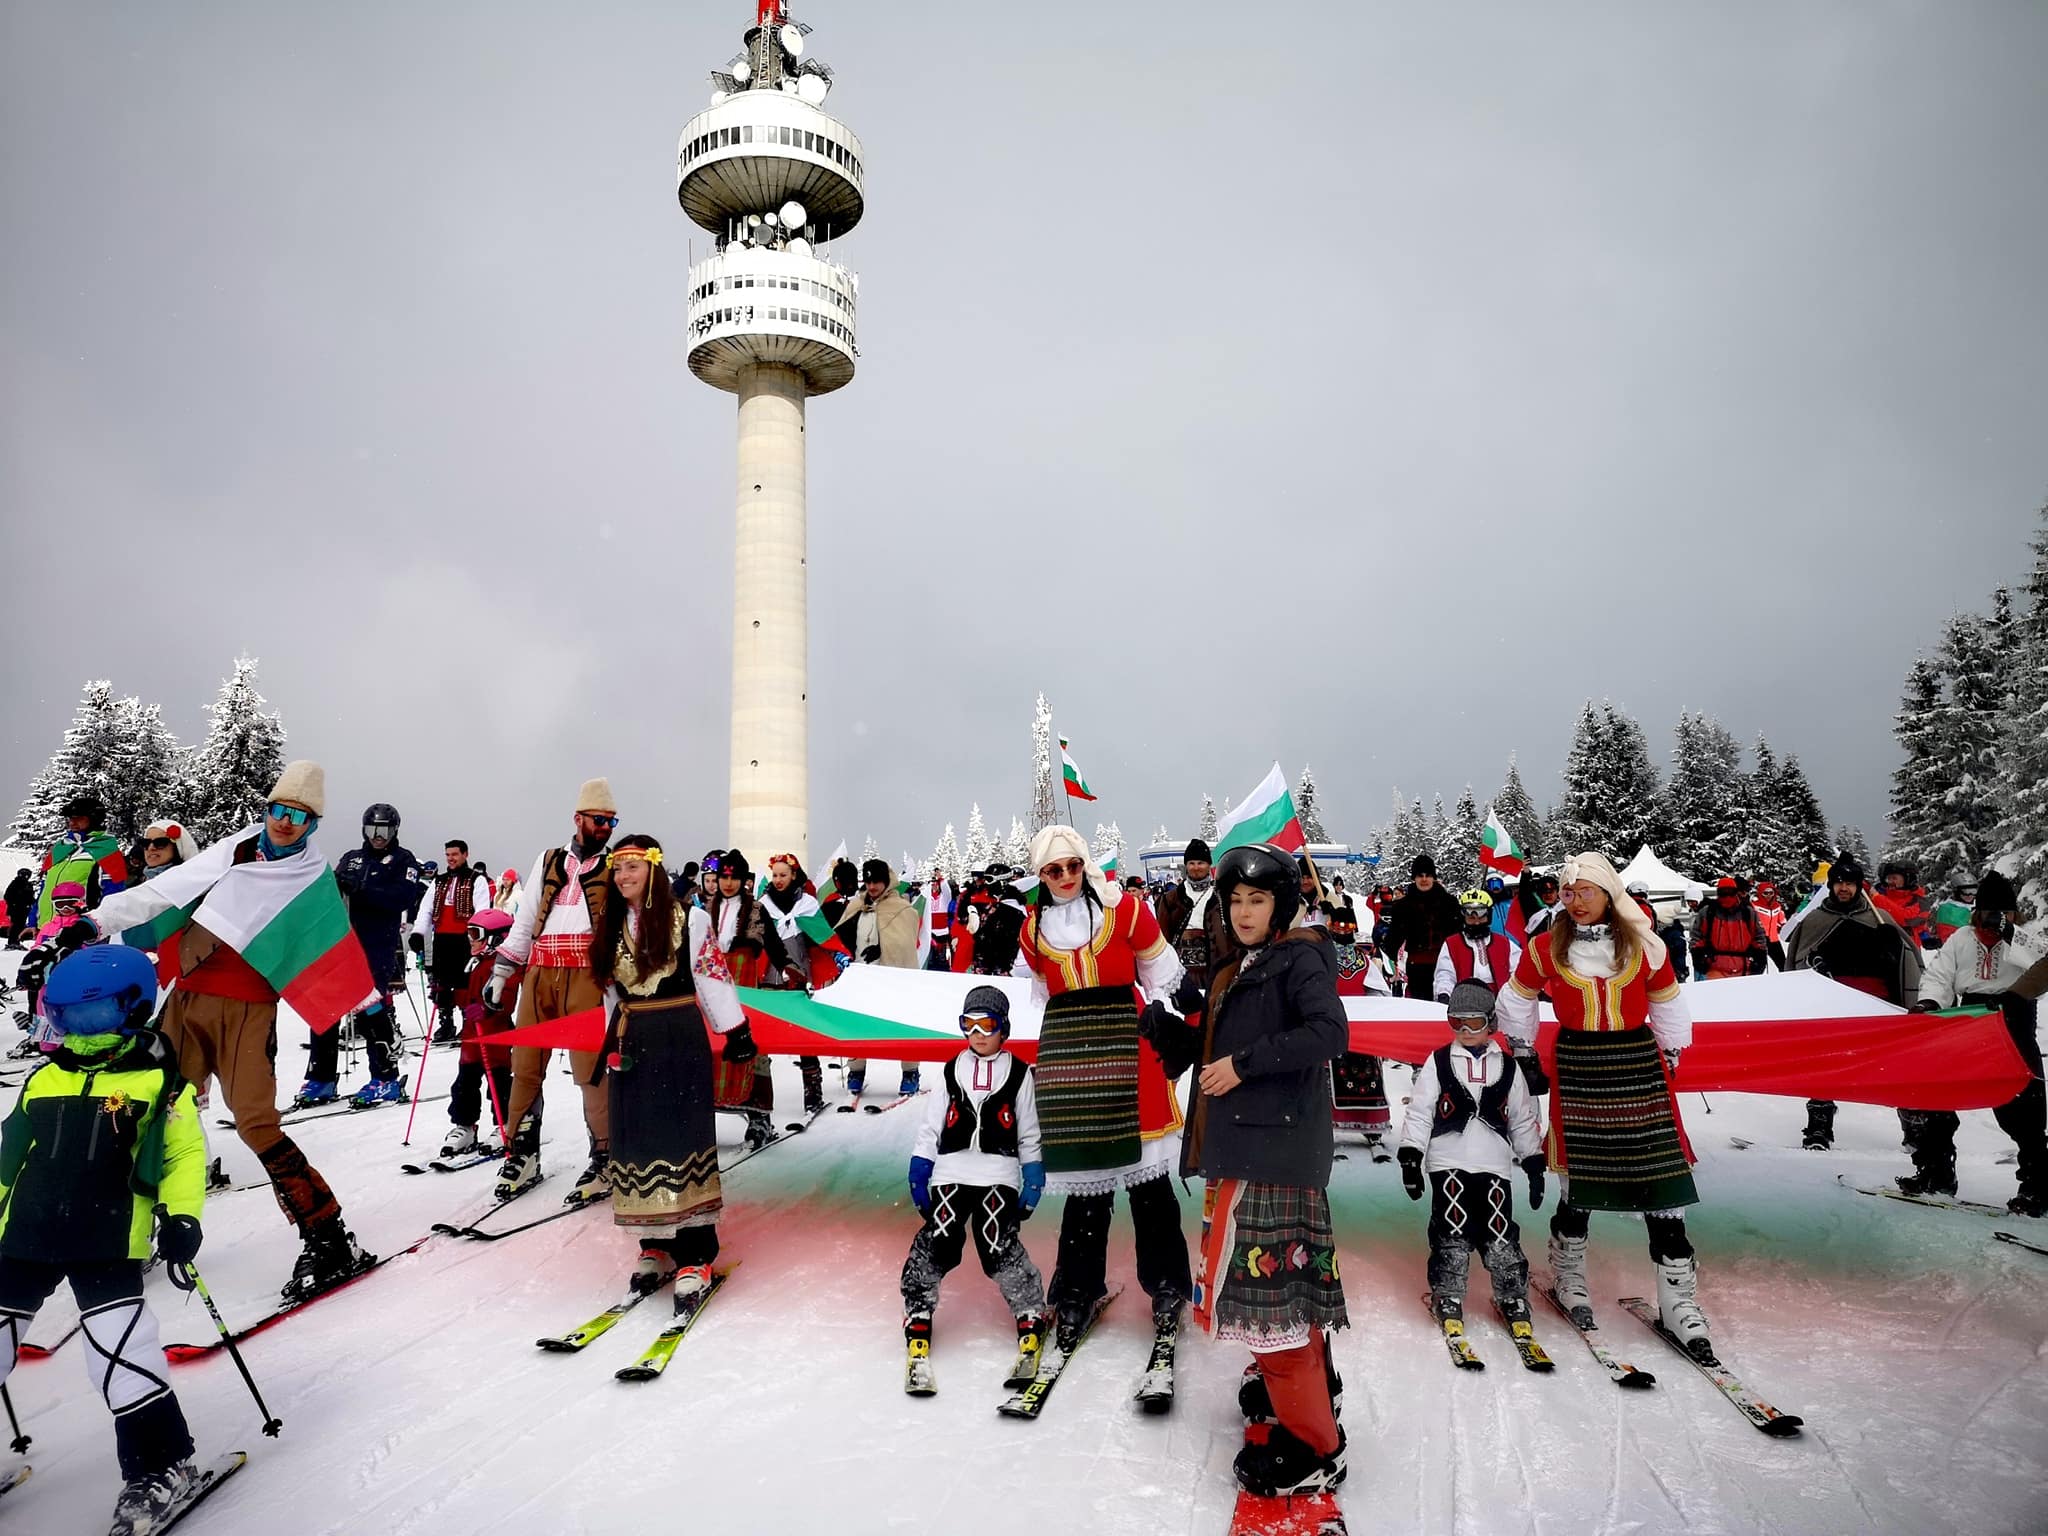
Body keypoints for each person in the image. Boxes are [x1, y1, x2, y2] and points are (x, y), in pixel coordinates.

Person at [64, 762, 375, 1300]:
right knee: (155, 1109)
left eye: (300, 816)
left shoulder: (311, 877)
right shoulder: (234, 852)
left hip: (248, 1010)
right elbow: (166, 892)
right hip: (186, 1000)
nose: (286, 822)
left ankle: (326, 1234)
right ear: (267, 809)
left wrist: (366, 1002)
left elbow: (329, 945)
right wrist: (98, 920)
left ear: (313, 825)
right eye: (279, 810)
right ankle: (131, 1230)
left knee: (256, 1122)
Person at [1139, 841, 1348, 1496]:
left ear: (1280, 904)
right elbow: (1214, 1055)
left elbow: (1329, 1033)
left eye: (1257, 899)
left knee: (1272, 1307)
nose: (1244, 910)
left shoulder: (1301, 957)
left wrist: (1247, 1064)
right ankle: (1302, 1395)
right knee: (1272, 1302)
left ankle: (1315, 1447)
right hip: (1248, 1153)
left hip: (1275, 1158)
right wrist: (1174, 1040)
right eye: (1235, 901)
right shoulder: (1242, 966)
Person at [0, 946, 207, 1531]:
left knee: (121, 1353)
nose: (83, 1031)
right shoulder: (45, 1077)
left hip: (108, 1233)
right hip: (26, 1231)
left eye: (98, 1016)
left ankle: (160, 1466)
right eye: (71, 1018)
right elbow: (9, 1154)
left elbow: (184, 1155)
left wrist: (182, 1216)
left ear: (134, 1009)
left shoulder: (160, 1081)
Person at [1497, 851, 1713, 1362]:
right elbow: (1516, 997)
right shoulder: (1546, 947)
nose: (1574, 902)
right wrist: (1524, 1050)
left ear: (1608, 895)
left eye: (1584, 892)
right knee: (1581, 1182)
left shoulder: (1643, 946)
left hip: (1637, 1065)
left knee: (1661, 1179)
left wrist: (1673, 1049)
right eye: (1568, 893)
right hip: (1580, 1066)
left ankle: (1678, 1301)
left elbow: (1667, 1002)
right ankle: (1569, 1276)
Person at [1015, 827, 1191, 1365]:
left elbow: (1164, 974)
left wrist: (1160, 1010)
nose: (1065, 878)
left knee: (1148, 1182)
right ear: (1041, 878)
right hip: (1072, 1058)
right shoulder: (1031, 931)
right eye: (1053, 871)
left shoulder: (1127, 912)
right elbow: (1040, 992)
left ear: (1084, 865)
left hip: (1128, 1049)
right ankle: (1077, 1287)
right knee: (1085, 1185)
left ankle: (1166, 1284)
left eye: (1072, 866)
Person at [589, 835, 753, 1302]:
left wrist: (734, 1029)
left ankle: (695, 1252)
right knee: (639, 1138)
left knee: (681, 1137)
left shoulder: (691, 918)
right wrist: (612, 1040)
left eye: (633, 868)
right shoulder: (610, 922)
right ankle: (655, 1244)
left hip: (679, 1032)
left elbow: (712, 975)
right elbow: (609, 993)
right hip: (634, 1037)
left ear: (653, 870)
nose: (623, 878)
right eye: (618, 870)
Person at [900, 985, 1046, 1394]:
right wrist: (920, 1170)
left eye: (988, 1024)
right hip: (951, 1170)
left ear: (1004, 1029)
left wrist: (1032, 1177)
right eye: (969, 1024)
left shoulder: (1019, 1074)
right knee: (941, 1238)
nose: (978, 1033)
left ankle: (1029, 1308)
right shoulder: (950, 1071)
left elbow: (1029, 1131)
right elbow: (931, 1128)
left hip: (997, 1173)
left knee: (996, 1243)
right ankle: (918, 1307)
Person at [488, 778, 620, 1203]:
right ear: (578, 819)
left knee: (591, 1071)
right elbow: (526, 918)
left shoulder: (616, 865)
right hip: (541, 971)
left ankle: (605, 1157)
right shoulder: (548, 860)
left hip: (587, 975)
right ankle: (522, 1153)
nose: (605, 827)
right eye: (599, 820)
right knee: (524, 1064)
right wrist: (503, 971)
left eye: (611, 821)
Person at [1400, 980, 1546, 1344]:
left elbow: (1523, 1118)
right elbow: (1420, 1112)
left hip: (1494, 1162)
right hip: (1448, 1159)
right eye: (1457, 1023)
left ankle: (1511, 1293)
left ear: (1491, 1023)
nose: (1465, 1031)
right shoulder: (1439, 1061)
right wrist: (1411, 1157)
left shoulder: (1508, 1068)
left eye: (1474, 1023)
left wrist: (1532, 1161)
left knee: (1498, 1228)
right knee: (1453, 1227)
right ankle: (1448, 1292)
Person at [1903, 872, 2045, 1214]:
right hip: (1969, 1020)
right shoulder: (1962, 939)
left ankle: (2038, 1188)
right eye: (1989, 910)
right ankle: (1936, 1174)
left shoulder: (2024, 938)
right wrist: (1931, 1003)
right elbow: (1940, 976)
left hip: (2013, 1023)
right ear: (1977, 910)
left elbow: (2044, 963)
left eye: (2004, 911)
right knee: (1938, 1096)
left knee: (2023, 1109)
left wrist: (2010, 938)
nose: (1996, 917)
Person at [1783, 854, 1921, 1152]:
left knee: (1894, 1066)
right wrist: (1814, 964)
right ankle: (1819, 1128)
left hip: (1877, 1005)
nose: (1843, 888)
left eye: (1849, 883)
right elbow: (1797, 962)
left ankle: (1914, 1129)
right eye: (1838, 883)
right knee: (1824, 1064)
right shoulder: (1816, 920)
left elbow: (1908, 962)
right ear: (1831, 885)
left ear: (1859, 886)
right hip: (1830, 1007)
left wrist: (1890, 948)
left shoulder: (1879, 918)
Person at [317, 803, 425, 1108]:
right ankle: (321, 1077)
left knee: (369, 1010)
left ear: (394, 831)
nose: (378, 837)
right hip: (342, 944)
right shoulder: (352, 859)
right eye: (372, 830)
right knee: (325, 1008)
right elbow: (333, 889)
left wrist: (362, 890)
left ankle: (385, 1077)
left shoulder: (403, 861)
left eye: (384, 830)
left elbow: (401, 898)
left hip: (377, 945)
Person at [706, 849, 785, 1147]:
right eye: (723, 876)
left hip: (745, 989)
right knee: (712, 1047)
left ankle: (759, 1119)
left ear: (744, 879)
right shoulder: (705, 908)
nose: (727, 883)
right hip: (711, 987)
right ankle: (705, 1116)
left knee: (751, 1049)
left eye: (733, 877)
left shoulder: (755, 910)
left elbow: (774, 945)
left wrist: (790, 969)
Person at [837, 858, 923, 1098]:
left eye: (877, 881)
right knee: (856, 1024)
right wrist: (842, 953)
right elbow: (842, 933)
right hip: (862, 976)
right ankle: (856, 1069)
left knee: (901, 1023)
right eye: (868, 881)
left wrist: (882, 948)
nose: (872, 886)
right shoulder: (858, 905)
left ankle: (910, 1070)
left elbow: (904, 944)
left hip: (892, 978)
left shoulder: (902, 908)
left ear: (887, 881)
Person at [440, 909, 518, 1158]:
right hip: (471, 1040)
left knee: (499, 1084)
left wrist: (486, 1008)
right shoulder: (475, 963)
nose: (471, 939)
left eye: (476, 934)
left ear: (497, 937)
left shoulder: (507, 967)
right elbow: (468, 995)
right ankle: (465, 1126)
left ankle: (504, 1124)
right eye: (469, 933)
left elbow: (507, 998)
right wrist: (449, 996)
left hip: (495, 1039)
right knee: (464, 1085)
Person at [759, 852, 827, 1114]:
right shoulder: (763, 904)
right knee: (764, 1038)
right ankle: (761, 1097)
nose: (778, 880)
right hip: (768, 976)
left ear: (794, 875)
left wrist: (835, 957)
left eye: (783, 875)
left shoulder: (807, 904)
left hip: (798, 974)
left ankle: (813, 1089)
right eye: (775, 875)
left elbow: (822, 937)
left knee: (803, 1035)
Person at [412, 840, 493, 1044]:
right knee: (441, 984)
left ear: (465, 854)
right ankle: (445, 1023)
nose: (451, 858)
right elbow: (426, 909)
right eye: (448, 854)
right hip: (441, 939)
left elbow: (482, 910)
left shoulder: (476, 879)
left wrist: (478, 938)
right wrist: (418, 933)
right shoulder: (439, 882)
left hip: (464, 940)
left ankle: (468, 1023)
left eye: (455, 854)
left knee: (465, 985)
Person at [33, 793, 129, 925]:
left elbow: (112, 895)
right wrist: (33, 922)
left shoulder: (106, 850)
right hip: (47, 928)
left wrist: (93, 925)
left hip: (79, 931)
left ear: (94, 819)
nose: (72, 823)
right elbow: (44, 890)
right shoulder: (61, 848)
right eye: (70, 818)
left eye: (78, 818)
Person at [1380, 855, 1462, 999]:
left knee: (1448, 1003)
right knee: (1422, 1007)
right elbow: (1394, 937)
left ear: (1434, 877)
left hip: (1446, 963)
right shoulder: (1402, 906)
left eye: (1428, 875)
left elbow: (1458, 933)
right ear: (1414, 878)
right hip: (1416, 965)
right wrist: (1389, 962)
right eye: (1420, 875)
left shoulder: (1449, 902)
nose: (1424, 879)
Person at [1433, 888, 1520, 1002]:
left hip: (1501, 1000)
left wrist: (1516, 993)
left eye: (1481, 916)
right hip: (1465, 1001)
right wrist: (1444, 993)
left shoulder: (1504, 943)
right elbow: (1445, 973)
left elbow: (1518, 969)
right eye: (1471, 917)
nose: (1477, 922)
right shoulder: (1452, 944)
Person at [1690, 877, 1768, 981]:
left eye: (1730, 892)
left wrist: (1760, 958)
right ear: (1718, 893)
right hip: (1714, 968)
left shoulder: (1748, 913)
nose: (1727, 896)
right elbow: (1697, 936)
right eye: (1723, 893)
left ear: (1736, 893)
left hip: (1744, 968)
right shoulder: (1708, 912)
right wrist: (1698, 957)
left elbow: (1759, 936)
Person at [1752, 880, 1790, 970]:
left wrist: (1785, 926)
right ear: (1761, 893)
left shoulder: (1777, 906)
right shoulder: (1754, 906)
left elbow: (1782, 920)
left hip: (1773, 940)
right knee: (1759, 966)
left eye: (1771, 893)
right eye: (1765, 893)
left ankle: (1786, 982)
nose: (1768, 895)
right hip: (1760, 940)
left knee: (1783, 964)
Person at [924, 871, 957, 970]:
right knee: (930, 957)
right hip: (930, 932)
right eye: (932, 884)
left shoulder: (944, 897)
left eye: (935, 884)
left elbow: (947, 891)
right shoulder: (927, 898)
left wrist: (941, 879)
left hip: (942, 931)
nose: (934, 886)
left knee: (942, 958)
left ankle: (943, 972)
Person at [3, 867, 31, 948]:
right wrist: (14, 903)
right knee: (16, 925)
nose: (25, 877)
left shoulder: (28, 885)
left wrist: (31, 903)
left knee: (21, 925)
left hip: (24, 909)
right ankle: (12, 942)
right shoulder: (15, 883)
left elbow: (30, 897)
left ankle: (17, 941)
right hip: (15, 909)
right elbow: (7, 896)